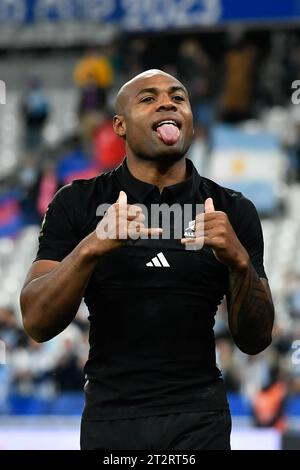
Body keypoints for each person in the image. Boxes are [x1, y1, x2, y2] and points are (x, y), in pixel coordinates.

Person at [20, 69, 274, 450]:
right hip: (111, 421)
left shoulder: (232, 210)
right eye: (148, 98)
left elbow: (256, 340)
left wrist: (239, 261)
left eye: (178, 97)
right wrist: (92, 246)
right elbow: (36, 322)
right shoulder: (76, 203)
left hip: (200, 421)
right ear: (119, 126)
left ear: (190, 118)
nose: (167, 103)